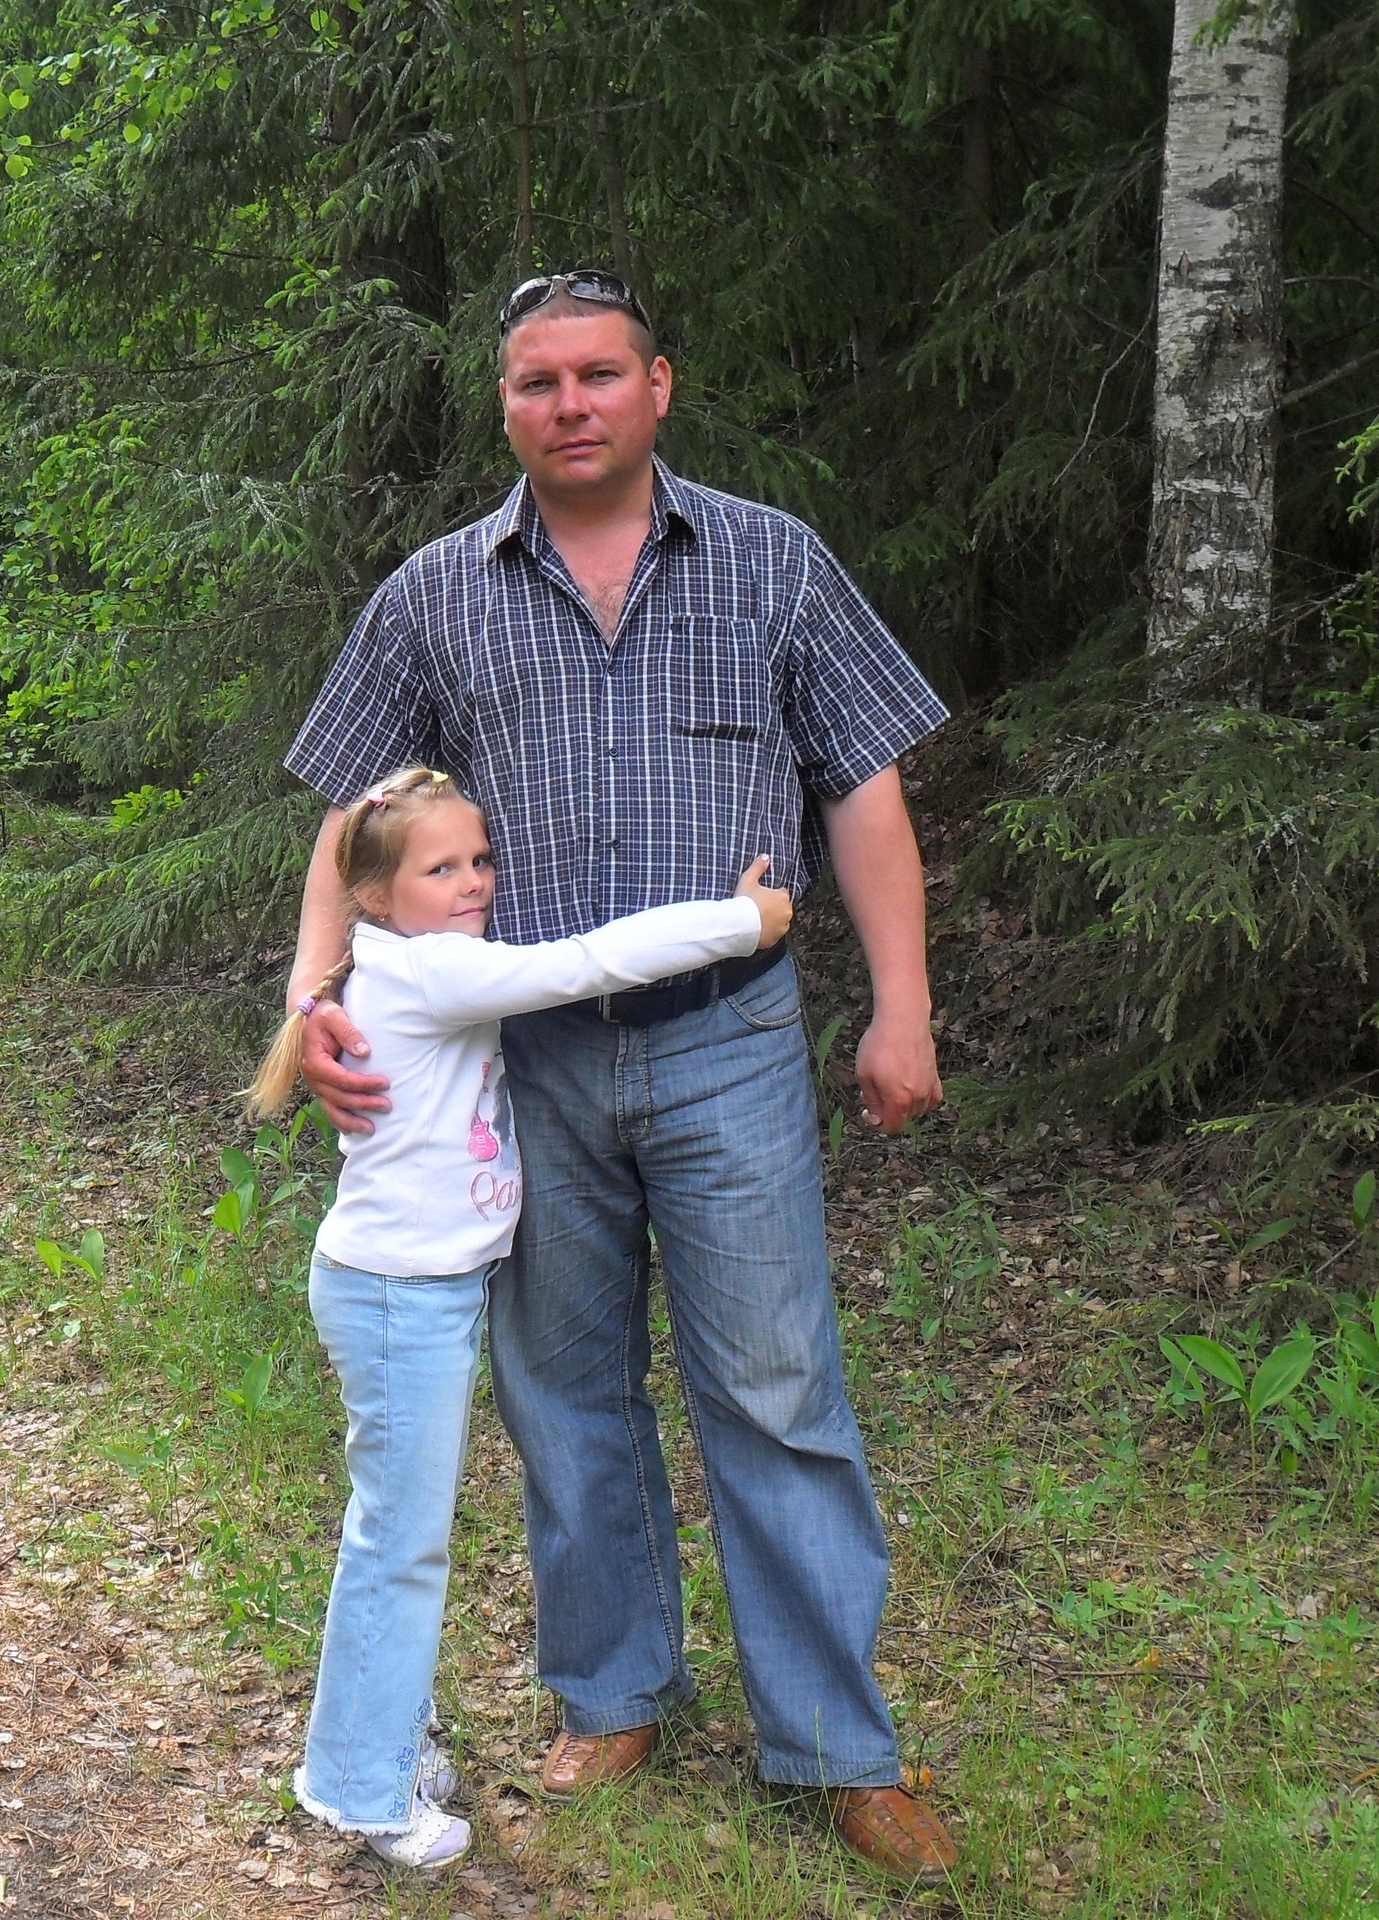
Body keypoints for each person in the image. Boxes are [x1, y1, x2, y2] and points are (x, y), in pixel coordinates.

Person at [278, 271, 960, 1883]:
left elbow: (862, 793)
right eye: (538, 382)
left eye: (597, 374)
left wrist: (904, 1008)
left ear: (659, 385)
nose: (569, 404)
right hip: (522, 1073)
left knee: (776, 1388)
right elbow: (347, 820)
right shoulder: (435, 594)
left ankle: (838, 1746)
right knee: (566, 1387)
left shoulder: (775, 562)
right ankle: (613, 1692)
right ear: (505, 406)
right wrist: (313, 998)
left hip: (730, 1043)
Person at [247, 764, 795, 1874]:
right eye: (439, 868)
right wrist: (743, 924)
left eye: (480, 860)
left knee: (400, 1533)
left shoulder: (404, 962)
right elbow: (586, 961)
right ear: (373, 896)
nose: (471, 883)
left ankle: (383, 1742)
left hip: (415, 1290)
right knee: (399, 1544)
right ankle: (361, 1786)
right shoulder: (432, 971)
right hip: (399, 1298)